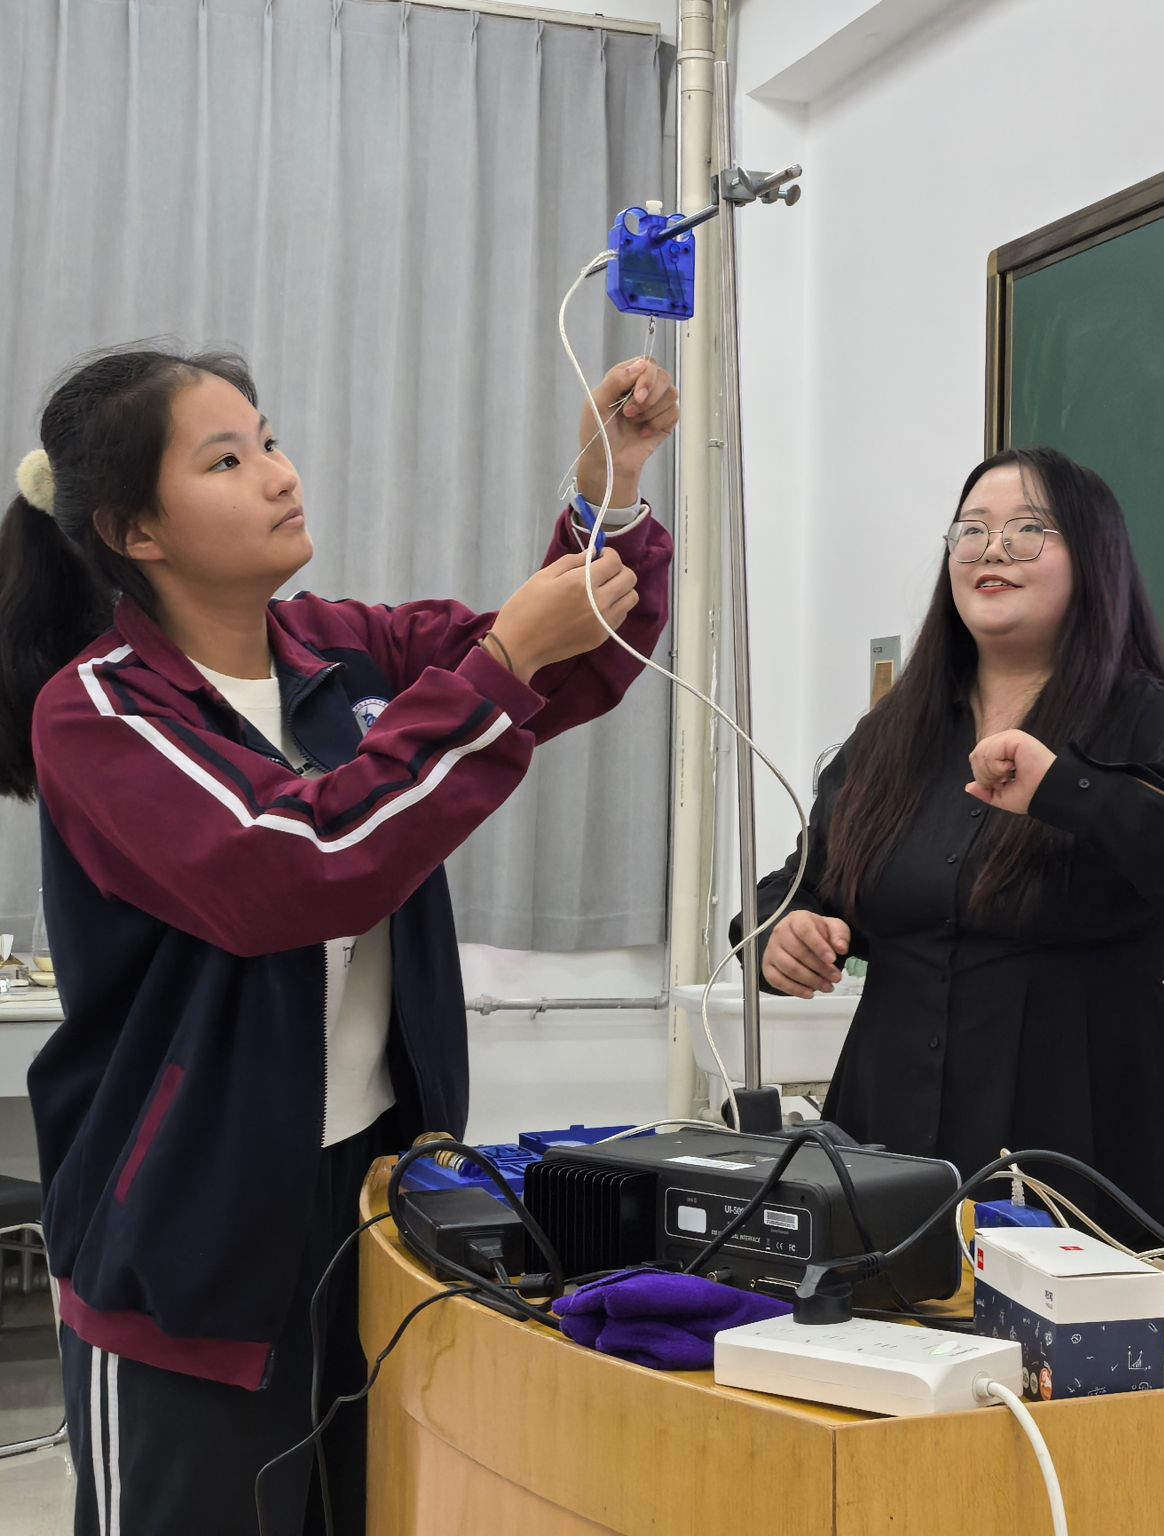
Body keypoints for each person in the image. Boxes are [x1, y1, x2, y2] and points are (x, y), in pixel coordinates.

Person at [4, 344, 676, 1535]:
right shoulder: (99, 711)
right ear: (135, 531)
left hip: (366, 1192)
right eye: (226, 461)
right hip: (188, 1232)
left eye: (268, 441)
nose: (279, 474)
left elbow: (570, 660)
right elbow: (290, 869)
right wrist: (502, 663)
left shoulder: (340, 649)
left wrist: (608, 495)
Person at [738, 446, 1164, 1250]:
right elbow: (799, 886)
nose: (991, 549)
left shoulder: (1150, 721)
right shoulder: (891, 735)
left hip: (1083, 1158)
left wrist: (1068, 789)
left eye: (1028, 529)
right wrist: (777, 935)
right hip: (887, 1153)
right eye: (972, 531)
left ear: (1092, 560)